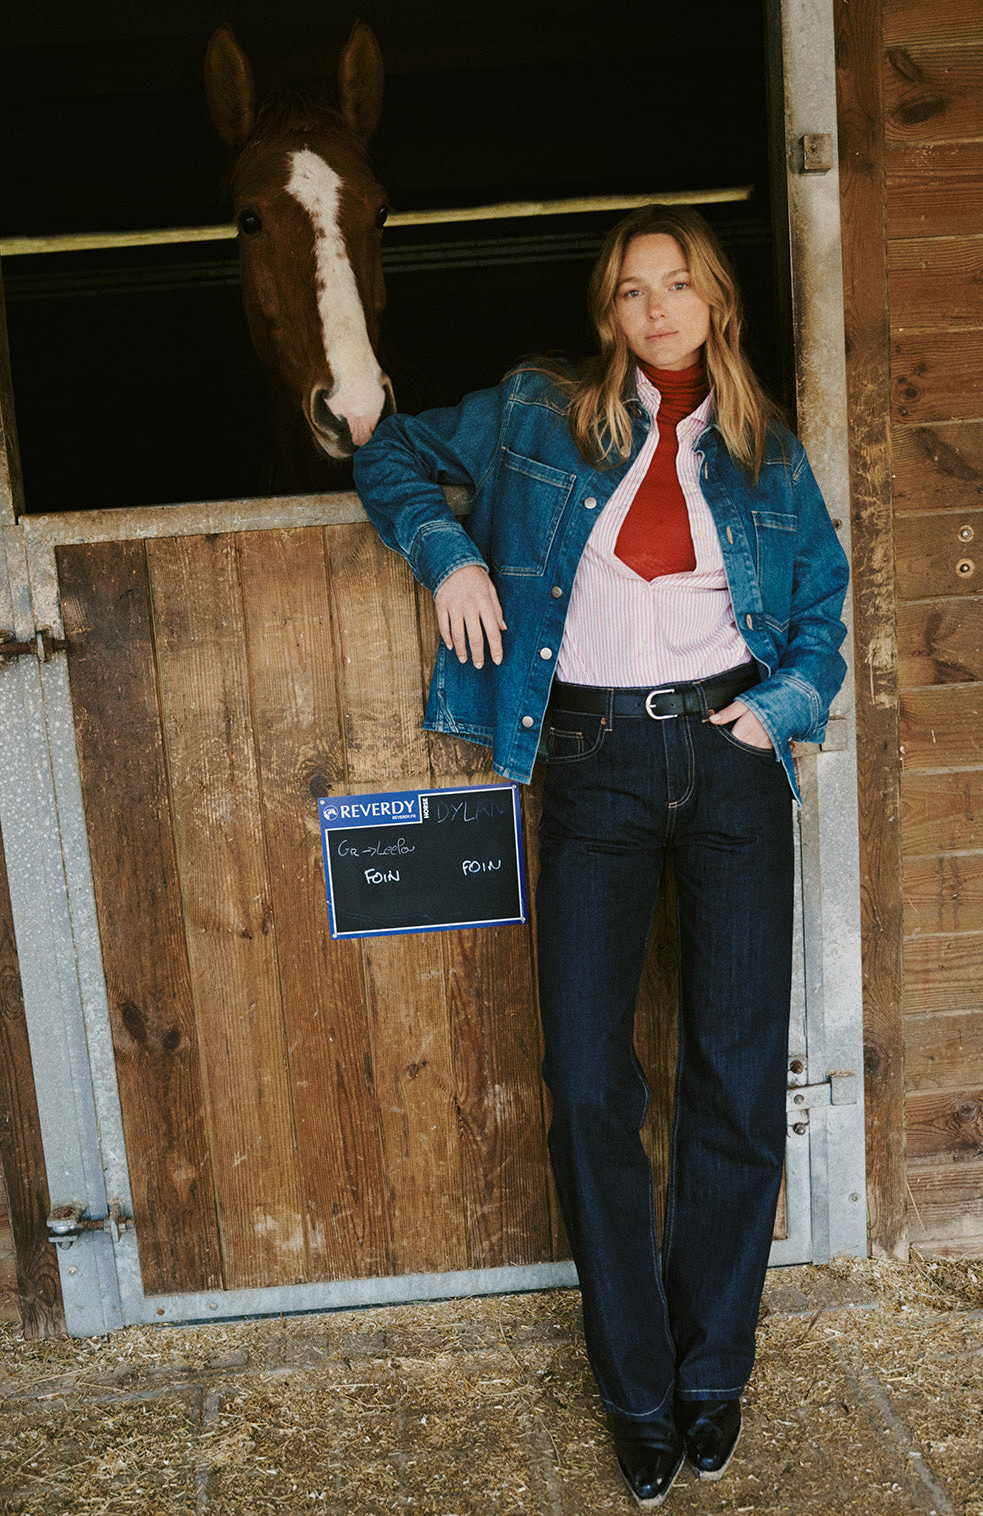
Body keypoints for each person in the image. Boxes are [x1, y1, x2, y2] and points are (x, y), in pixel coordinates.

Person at [352, 204, 849, 1509]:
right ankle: (635, 1388)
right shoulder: (534, 416)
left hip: (733, 761)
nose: (658, 308)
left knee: (735, 1077)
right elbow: (384, 449)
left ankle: (712, 1372)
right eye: (634, 290)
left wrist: (783, 708)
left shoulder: (767, 453)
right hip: (590, 764)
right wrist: (448, 554)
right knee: (586, 1080)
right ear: (608, 313)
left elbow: (824, 609)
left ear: (715, 301)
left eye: (678, 285)